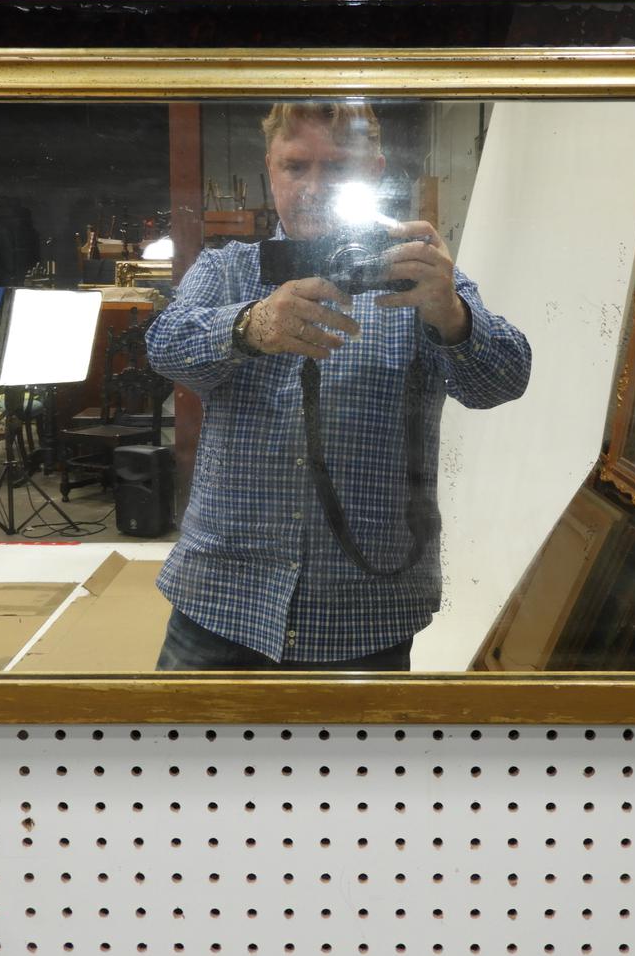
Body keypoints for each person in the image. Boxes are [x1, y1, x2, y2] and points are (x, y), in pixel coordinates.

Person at [144, 102, 531, 671]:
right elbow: (163, 347)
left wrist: (452, 315)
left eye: (338, 169)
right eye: (296, 166)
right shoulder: (228, 271)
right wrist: (251, 326)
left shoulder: (415, 278)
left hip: (364, 612)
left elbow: (504, 380)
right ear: (270, 169)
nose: (314, 188)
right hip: (221, 600)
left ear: (373, 172)